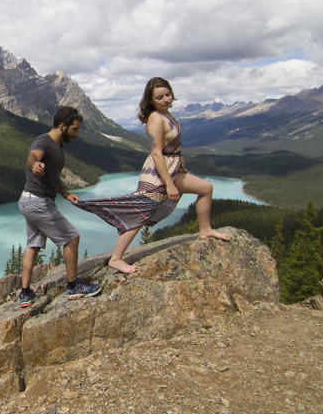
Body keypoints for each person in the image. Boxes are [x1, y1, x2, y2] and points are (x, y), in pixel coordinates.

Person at [74, 77, 229, 275]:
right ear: (151, 101)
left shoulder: (167, 114)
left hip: (173, 169)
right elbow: (157, 152)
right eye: (159, 97)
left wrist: (180, 170)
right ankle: (116, 259)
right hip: (159, 173)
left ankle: (205, 229)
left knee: (206, 188)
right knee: (141, 212)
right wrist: (169, 184)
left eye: (167, 94)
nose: (165, 99)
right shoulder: (156, 118)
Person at [18, 106, 102, 307]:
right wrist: (34, 164)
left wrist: (65, 193)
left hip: (28, 200)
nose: (77, 133)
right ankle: (73, 287)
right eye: (74, 129)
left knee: (33, 245)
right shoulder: (44, 142)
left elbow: (53, 177)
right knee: (72, 239)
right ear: (62, 126)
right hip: (38, 202)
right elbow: (32, 156)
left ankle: (25, 293)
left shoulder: (57, 146)